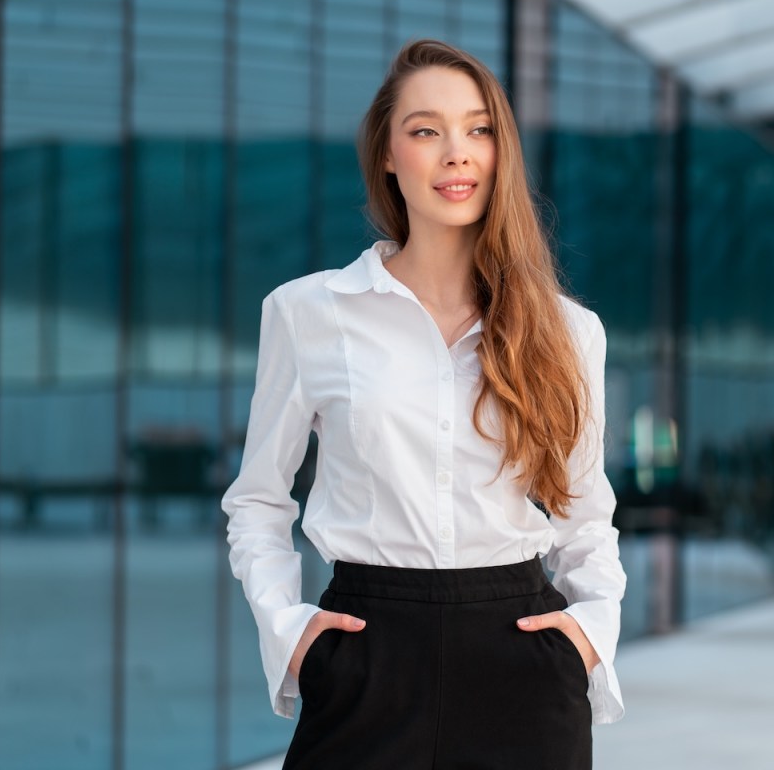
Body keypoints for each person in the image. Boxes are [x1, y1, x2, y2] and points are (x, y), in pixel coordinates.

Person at [221, 38, 625, 770]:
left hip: (523, 662)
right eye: (426, 130)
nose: (456, 153)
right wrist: (291, 633)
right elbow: (258, 501)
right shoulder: (307, 313)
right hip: (365, 658)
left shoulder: (568, 331)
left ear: (501, 152)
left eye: (478, 129)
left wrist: (590, 635)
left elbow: (585, 513)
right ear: (388, 154)